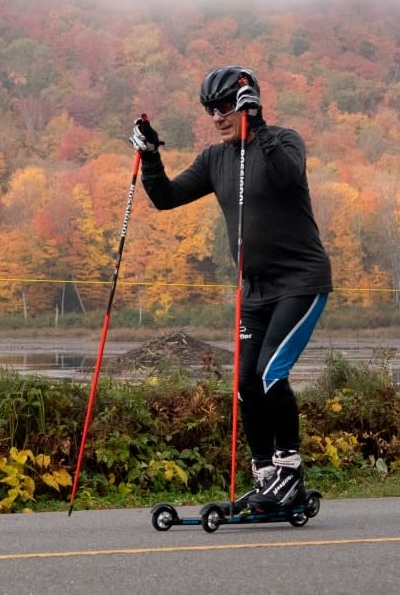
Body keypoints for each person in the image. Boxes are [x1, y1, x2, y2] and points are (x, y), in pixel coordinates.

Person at [128, 66, 333, 511]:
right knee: (244, 384)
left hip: (300, 282)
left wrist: (255, 124)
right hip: (254, 290)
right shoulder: (215, 160)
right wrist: (150, 156)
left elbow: (285, 174)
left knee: (270, 373)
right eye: (210, 109)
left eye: (224, 107)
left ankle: (290, 472)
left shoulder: (285, 141)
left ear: (246, 103)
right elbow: (166, 198)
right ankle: (266, 479)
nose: (217, 116)